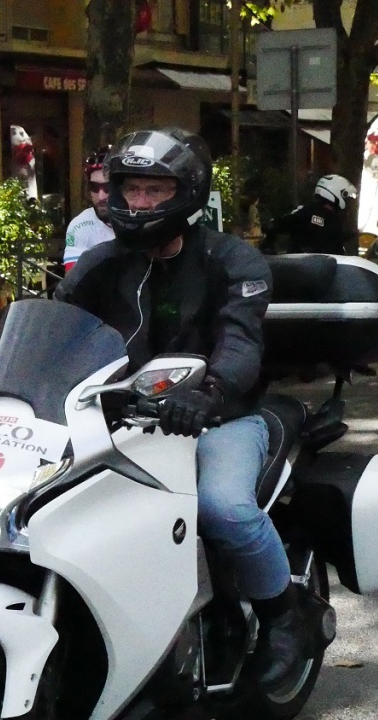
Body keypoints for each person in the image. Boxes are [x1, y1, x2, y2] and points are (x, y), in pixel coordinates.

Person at [55, 128, 305, 693]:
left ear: (186, 193)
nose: (140, 202)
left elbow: (241, 342)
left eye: (155, 190)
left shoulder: (232, 261)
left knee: (222, 508)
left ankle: (283, 619)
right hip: (118, 421)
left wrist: (209, 391)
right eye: (132, 189)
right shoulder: (100, 264)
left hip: (221, 417)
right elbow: (55, 329)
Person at [260, 174, 358, 255]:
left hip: (324, 268)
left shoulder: (332, 218)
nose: (348, 202)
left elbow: (276, 225)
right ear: (336, 192)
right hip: (306, 268)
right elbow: (280, 224)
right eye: (346, 197)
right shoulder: (310, 212)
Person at [63, 146, 115, 272]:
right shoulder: (80, 226)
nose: (101, 197)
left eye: (108, 188)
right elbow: (74, 281)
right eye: (94, 187)